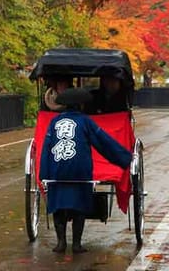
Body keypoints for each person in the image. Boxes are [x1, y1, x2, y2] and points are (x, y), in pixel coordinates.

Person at [39, 87, 133, 253]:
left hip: (57, 171)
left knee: (58, 205)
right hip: (79, 170)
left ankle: (61, 243)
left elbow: (46, 148)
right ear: (80, 106)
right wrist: (123, 158)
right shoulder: (85, 121)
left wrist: (44, 174)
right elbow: (103, 142)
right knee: (78, 205)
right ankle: (76, 244)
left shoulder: (54, 122)